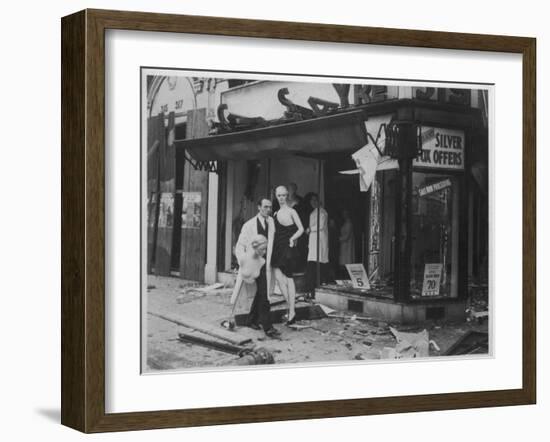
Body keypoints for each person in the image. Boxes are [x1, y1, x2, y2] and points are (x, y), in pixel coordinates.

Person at [232, 198, 280, 338]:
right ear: (259, 207)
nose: (268, 210)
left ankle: (251, 320)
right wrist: (242, 260)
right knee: (264, 294)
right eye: (265, 207)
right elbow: (240, 246)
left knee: (262, 293)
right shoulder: (249, 225)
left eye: (270, 207)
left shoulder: (271, 222)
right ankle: (268, 327)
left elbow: (272, 242)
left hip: (266, 263)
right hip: (253, 263)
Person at [271, 185, 304, 325]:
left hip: (288, 249)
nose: (281, 198)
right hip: (277, 249)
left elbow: (301, 228)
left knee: (289, 279)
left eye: (284, 195)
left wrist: (292, 238)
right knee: (279, 278)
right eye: (279, 195)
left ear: (287, 196)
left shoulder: (292, 211)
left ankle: (292, 311)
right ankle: (290, 308)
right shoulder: (274, 214)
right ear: (276, 196)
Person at [304, 193, 329, 296]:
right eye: (311, 201)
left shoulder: (322, 212)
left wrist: (310, 229)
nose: (313, 202)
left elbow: (321, 226)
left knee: (319, 264)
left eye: (315, 200)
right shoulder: (313, 212)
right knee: (312, 265)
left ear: (319, 201)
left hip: (320, 240)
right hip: (313, 241)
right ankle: (311, 290)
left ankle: (318, 290)